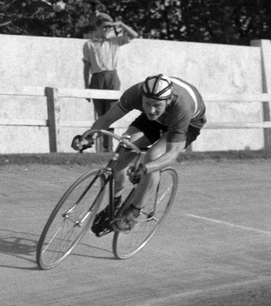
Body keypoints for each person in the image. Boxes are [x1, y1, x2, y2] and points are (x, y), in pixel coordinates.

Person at [73, 73, 206, 232]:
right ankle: (114, 205)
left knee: (153, 157)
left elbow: (171, 154)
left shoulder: (181, 107)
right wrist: (88, 136)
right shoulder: (135, 93)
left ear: (168, 100)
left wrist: (145, 168)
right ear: (142, 96)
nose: (151, 109)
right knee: (125, 146)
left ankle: (134, 212)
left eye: (156, 105)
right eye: (147, 103)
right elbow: (107, 119)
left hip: (187, 123)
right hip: (157, 120)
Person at [82, 14, 138, 117]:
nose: (107, 29)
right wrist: (86, 86)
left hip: (112, 76)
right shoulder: (89, 44)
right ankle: (100, 133)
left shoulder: (115, 41)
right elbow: (86, 66)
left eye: (109, 27)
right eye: (104, 26)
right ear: (98, 27)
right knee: (100, 111)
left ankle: (109, 133)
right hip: (97, 78)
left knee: (111, 110)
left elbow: (134, 35)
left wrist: (120, 24)